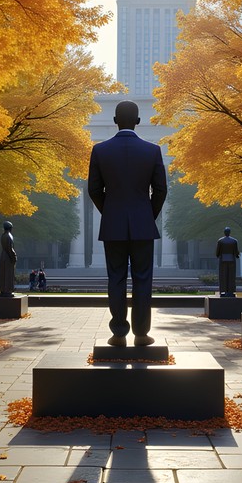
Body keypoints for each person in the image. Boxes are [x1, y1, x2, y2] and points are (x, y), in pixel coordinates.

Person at [87, 100, 168, 346]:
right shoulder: (152, 151)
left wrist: (110, 212)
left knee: (116, 279)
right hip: (143, 226)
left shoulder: (100, 150)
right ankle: (142, 333)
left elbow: (94, 190)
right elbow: (161, 190)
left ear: (114, 121)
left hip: (113, 226)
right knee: (143, 279)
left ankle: (119, 331)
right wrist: (147, 215)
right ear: (138, 121)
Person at [215, 227, 240, 297]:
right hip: (231, 260)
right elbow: (236, 251)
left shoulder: (220, 241)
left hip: (223, 260)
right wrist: (237, 255)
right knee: (231, 276)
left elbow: (218, 252)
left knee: (223, 276)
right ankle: (231, 291)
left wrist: (218, 255)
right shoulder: (234, 241)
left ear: (224, 232)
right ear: (229, 232)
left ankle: (223, 291)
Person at [0, 222, 17, 297]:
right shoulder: (9, 236)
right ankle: (7, 290)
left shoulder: (3, 236)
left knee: (3, 274)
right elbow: (10, 248)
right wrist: (14, 257)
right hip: (8, 257)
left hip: (3, 256)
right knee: (8, 274)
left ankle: (3, 289)